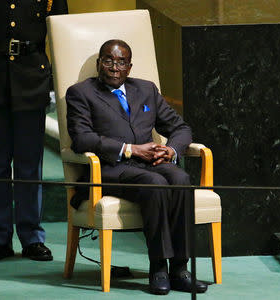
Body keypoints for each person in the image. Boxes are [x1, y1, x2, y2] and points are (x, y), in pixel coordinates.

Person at [65, 39, 207, 295]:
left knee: (181, 178)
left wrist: (171, 149)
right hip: (108, 169)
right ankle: (158, 267)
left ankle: (180, 268)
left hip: (148, 164)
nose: (114, 68)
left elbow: (181, 128)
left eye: (121, 62)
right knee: (155, 184)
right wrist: (130, 149)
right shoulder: (80, 93)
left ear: (129, 67)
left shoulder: (146, 89)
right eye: (108, 61)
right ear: (99, 64)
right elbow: (81, 138)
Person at [0, 1, 68, 262]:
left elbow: (60, 34)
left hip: (31, 79)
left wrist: (55, 83)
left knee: (29, 164)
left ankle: (31, 237)